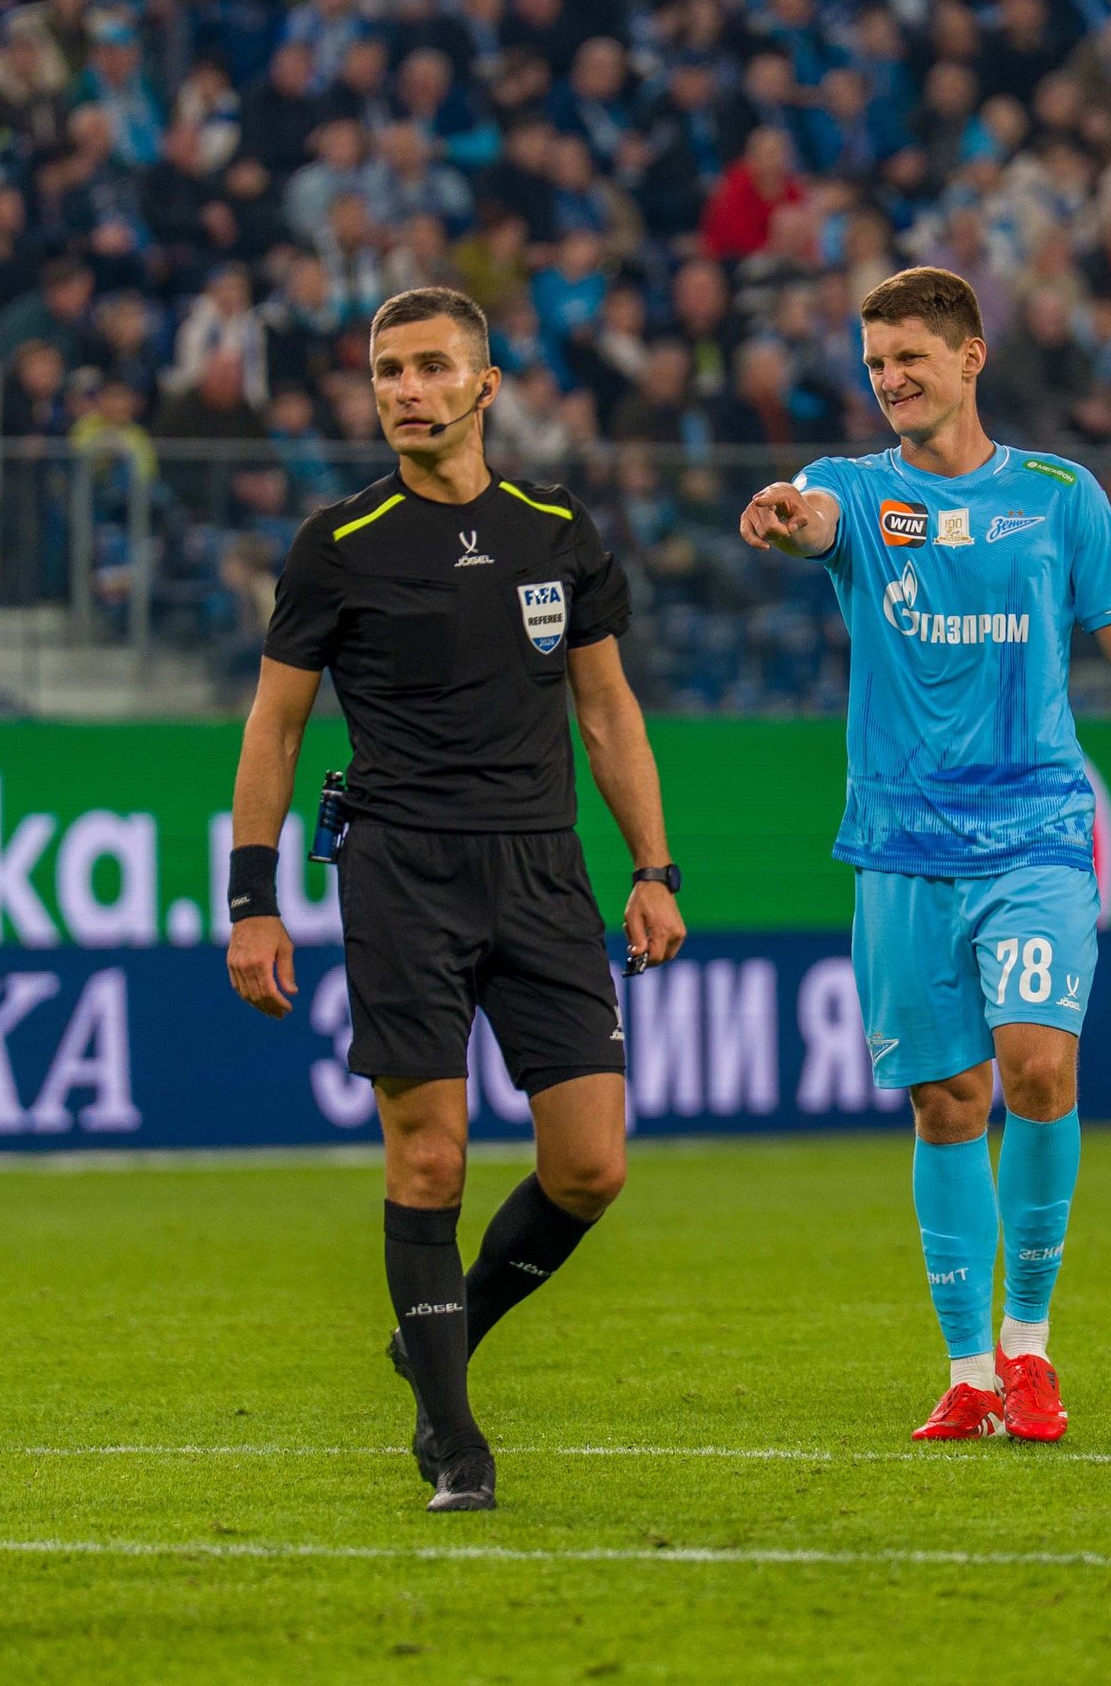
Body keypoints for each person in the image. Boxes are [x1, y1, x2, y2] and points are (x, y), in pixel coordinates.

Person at [225, 285, 685, 1513]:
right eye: (387, 372)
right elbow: (274, 730)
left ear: (485, 387)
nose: (405, 392)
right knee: (428, 1157)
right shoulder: (340, 543)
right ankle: (455, 1440)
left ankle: (441, 1336)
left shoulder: (555, 532)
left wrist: (652, 869)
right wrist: (251, 899)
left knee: (590, 1168)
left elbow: (606, 711)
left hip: (541, 871)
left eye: (430, 369)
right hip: (401, 874)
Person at [735, 267, 1111, 1444]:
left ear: (970, 358)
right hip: (898, 847)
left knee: (1036, 1070)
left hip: (1038, 831)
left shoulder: (1059, 497)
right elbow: (811, 515)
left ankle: (1029, 1349)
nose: (890, 379)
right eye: (876, 360)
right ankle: (965, 1372)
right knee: (946, 1102)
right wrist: (785, 518)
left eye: (910, 358)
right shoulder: (852, 490)